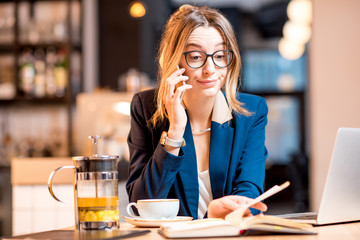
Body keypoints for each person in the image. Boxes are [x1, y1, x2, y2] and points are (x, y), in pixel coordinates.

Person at [126, 4, 268, 219]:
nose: (210, 69)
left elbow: (249, 194)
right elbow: (140, 204)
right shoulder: (145, 108)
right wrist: (175, 132)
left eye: (220, 56)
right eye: (195, 57)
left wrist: (219, 214)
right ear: (175, 61)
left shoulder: (251, 112)